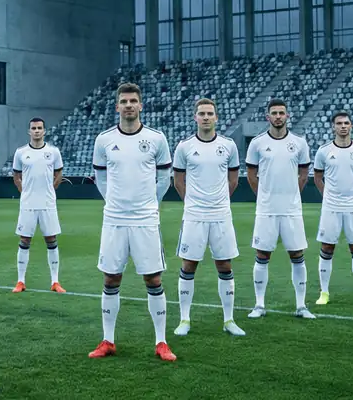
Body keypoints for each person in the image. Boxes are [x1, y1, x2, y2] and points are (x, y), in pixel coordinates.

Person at [89, 83, 177, 361]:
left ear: (141, 106)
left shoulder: (156, 139)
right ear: (117, 106)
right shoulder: (103, 140)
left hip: (145, 219)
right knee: (111, 277)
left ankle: (161, 342)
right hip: (114, 219)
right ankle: (108, 340)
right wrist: (113, 202)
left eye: (133, 101)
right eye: (124, 101)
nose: (128, 105)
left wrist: (151, 203)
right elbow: (101, 179)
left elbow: (164, 178)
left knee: (153, 278)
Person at [171, 98, 244, 337]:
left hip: (221, 214)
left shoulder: (229, 146)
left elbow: (233, 180)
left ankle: (229, 320)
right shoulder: (184, 147)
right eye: (201, 113)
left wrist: (220, 200)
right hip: (194, 215)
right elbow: (178, 180)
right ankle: (184, 319)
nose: (205, 117)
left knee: (224, 264)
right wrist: (191, 202)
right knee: (188, 264)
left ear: (216, 117)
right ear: (195, 117)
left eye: (209, 113)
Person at [245, 99, 313, 320]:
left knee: (297, 254)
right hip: (266, 210)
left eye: (281, 113)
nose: (278, 116)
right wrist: (263, 196)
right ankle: (259, 304)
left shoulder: (299, 143)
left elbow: (304, 173)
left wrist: (294, 192)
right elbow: (251, 174)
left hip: (292, 210)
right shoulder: (257, 143)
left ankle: (301, 305)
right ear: (268, 117)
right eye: (274, 113)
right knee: (262, 254)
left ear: (287, 116)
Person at [312, 111, 353, 308]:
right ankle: (324, 292)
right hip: (331, 207)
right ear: (333, 127)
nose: (343, 126)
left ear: (351, 126)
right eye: (339, 123)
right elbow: (317, 177)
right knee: (327, 247)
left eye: (346, 123)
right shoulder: (324, 151)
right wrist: (327, 195)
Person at [11, 117, 65, 294]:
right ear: (29, 131)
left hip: (48, 203)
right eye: (33, 128)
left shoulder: (53, 152)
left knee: (51, 240)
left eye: (39, 128)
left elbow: (59, 173)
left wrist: (51, 188)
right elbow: (16, 175)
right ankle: (20, 281)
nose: (36, 131)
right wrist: (24, 191)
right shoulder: (21, 152)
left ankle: (55, 281)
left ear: (44, 131)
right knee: (24, 240)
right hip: (27, 204)